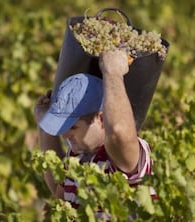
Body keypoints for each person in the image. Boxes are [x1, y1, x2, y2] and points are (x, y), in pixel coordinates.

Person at [33, 50, 156, 213]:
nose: (64, 135)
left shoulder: (121, 157)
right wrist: (46, 126)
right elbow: (60, 193)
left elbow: (119, 133)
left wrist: (113, 73)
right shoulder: (77, 155)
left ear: (101, 119)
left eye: (73, 127)